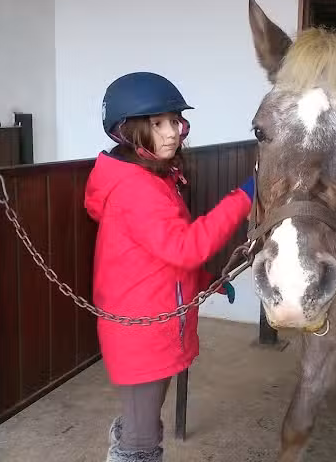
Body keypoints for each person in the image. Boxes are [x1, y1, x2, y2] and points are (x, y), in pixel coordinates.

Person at [84, 71, 254, 462]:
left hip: (150, 325)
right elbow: (185, 248)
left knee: (142, 423)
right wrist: (244, 198)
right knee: (142, 442)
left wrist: (205, 280)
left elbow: (157, 255)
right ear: (128, 132)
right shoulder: (137, 188)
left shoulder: (153, 178)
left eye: (175, 121)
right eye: (158, 123)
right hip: (142, 333)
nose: (172, 132)